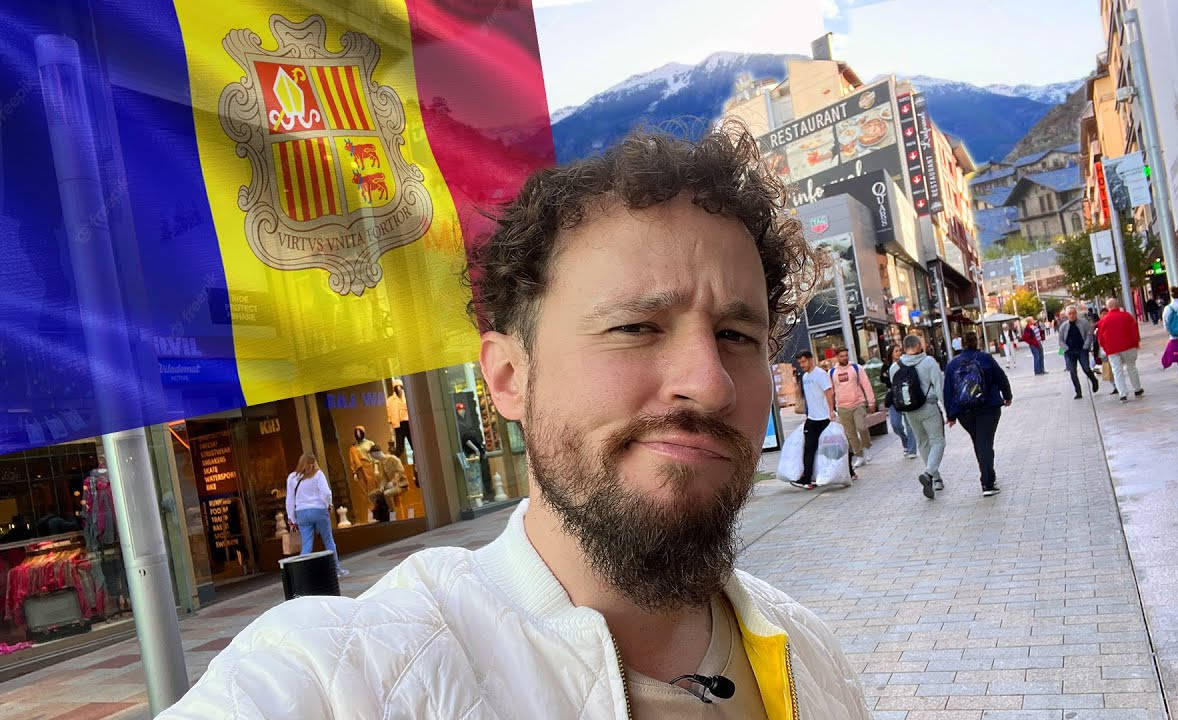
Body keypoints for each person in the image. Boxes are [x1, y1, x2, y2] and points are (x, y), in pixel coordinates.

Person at [160, 125, 871, 719]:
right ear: (507, 378)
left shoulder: (812, 656)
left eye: (737, 336)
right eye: (634, 326)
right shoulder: (349, 676)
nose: (709, 384)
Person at [943, 332, 1012, 497]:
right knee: (985, 443)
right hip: (988, 407)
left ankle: (989, 477)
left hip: (965, 412)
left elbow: (948, 391)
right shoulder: (986, 359)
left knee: (979, 442)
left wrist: (951, 415)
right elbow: (1001, 377)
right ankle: (987, 483)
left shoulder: (952, 365)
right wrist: (1007, 396)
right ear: (977, 342)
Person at [890, 334, 946, 499]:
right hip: (929, 408)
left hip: (909, 412)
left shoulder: (895, 367)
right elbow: (939, 388)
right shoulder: (929, 362)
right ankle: (929, 474)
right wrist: (949, 412)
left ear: (905, 347)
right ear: (918, 346)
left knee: (922, 443)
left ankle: (936, 479)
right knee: (938, 441)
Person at [284, 453, 347, 577]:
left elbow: (290, 499)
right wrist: (329, 504)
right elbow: (326, 493)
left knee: (307, 544)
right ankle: (335, 570)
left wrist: (291, 518)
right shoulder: (318, 474)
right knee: (328, 540)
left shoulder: (292, 477)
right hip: (319, 510)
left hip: (301, 512)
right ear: (314, 463)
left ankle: (302, 575)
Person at [793, 350, 836, 490]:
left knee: (833, 446)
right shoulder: (805, 377)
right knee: (809, 448)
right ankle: (807, 479)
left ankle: (849, 471)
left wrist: (831, 411)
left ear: (811, 360)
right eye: (800, 363)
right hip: (812, 419)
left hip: (825, 418)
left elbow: (829, 393)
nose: (802, 365)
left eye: (804, 361)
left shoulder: (820, 374)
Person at [830, 347, 875, 475]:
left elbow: (866, 384)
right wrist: (831, 409)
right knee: (850, 434)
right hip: (842, 407)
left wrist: (871, 401)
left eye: (846, 355)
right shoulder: (832, 372)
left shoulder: (856, 368)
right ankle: (859, 456)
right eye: (842, 356)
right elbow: (831, 392)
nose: (845, 358)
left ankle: (867, 447)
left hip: (858, 404)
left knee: (861, 427)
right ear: (837, 357)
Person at [1095, 298, 1143, 402]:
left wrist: (1105, 348)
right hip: (1128, 346)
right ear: (1117, 305)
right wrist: (1136, 343)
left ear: (1108, 308)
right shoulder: (1127, 316)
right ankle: (1137, 389)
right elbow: (1134, 331)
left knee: (1117, 371)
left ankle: (1123, 394)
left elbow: (1100, 338)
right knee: (1132, 367)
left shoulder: (1103, 321)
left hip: (1112, 349)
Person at [880, 345, 917, 459]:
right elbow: (883, 378)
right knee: (895, 425)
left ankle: (911, 449)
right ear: (891, 353)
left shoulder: (905, 363)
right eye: (896, 351)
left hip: (906, 395)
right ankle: (905, 441)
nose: (898, 352)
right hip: (893, 397)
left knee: (909, 424)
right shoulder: (886, 366)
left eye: (900, 350)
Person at [1057, 305, 1099, 399]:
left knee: (1086, 368)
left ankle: (1094, 380)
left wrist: (1086, 346)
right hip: (1070, 352)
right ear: (1067, 315)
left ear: (1076, 313)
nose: (1072, 315)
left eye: (1073, 313)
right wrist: (1066, 349)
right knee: (1072, 372)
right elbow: (1060, 340)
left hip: (1081, 350)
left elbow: (1089, 335)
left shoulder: (1084, 323)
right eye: (1070, 314)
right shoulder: (1063, 326)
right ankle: (1078, 392)